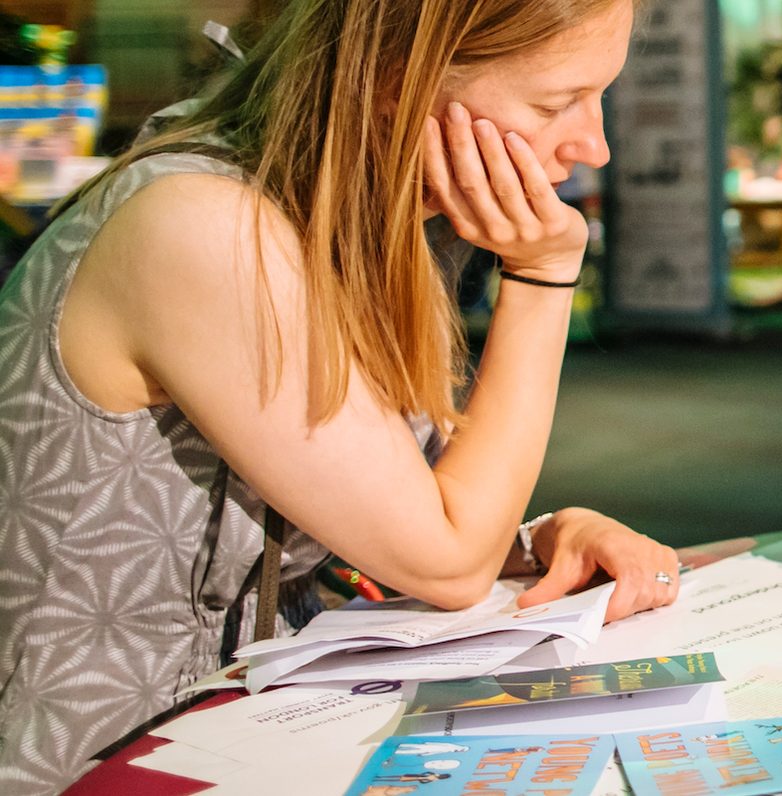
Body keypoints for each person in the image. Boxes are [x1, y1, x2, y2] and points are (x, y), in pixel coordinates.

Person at [0, 2, 683, 790]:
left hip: (241, 738)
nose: (590, 145)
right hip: (93, 761)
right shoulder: (200, 227)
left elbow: (401, 513)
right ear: (398, 80)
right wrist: (542, 274)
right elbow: (446, 560)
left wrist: (540, 538)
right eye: (556, 103)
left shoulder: (347, 214)